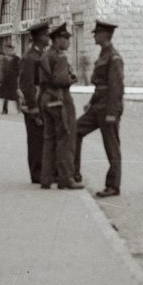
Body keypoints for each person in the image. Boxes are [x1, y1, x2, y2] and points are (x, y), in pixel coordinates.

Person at [74, 20, 124, 198]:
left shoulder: (113, 57)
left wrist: (112, 113)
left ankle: (113, 186)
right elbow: (100, 86)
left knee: (111, 147)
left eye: (97, 33)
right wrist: (91, 102)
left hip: (107, 110)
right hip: (97, 106)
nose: (94, 35)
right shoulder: (103, 54)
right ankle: (74, 174)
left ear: (105, 35)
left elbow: (115, 87)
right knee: (75, 131)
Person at [39, 24, 82, 189]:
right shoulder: (60, 57)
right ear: (57, 39)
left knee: (49, 139)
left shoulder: (45, 55)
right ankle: (66, 178)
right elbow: (60, 80)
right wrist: (71, 79)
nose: (69, 42)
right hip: (60, 99)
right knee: (66, 139)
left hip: (46, 98)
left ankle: (46, 178)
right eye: (66, 39)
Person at [18, 22, 49, 182]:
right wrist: (33, 107)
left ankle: (42, 170)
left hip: (42, 100)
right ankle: (37, 174)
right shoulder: (30, 57)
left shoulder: (40, 54)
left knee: (42, 137)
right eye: (45, 35)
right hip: (34, 102)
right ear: (38, 38)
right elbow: (27, 84)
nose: (48, 37)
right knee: (35, 139)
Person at [0, 43, 19, 114]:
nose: (8, 51)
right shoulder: (4, 59)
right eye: (6, 50)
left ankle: (19, 108)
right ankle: (4, 110)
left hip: (14, 79)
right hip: (5, 80)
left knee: (16, 95)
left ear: (12, 50)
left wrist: (18, 78)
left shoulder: (17, 59)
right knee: (5, 95)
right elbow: (1, 69)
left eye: (9, 50)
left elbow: (19, 69)